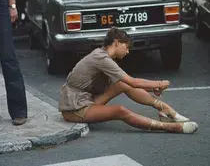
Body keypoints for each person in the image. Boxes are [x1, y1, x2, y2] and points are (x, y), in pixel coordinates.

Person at [59, 27, 198, 134]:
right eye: (126, 47)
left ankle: (165, 110)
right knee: (120, 111)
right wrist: (159, 84)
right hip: (75, 108)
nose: (128, 51)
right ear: (117, 43)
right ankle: (171, 127)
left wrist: (151, 88)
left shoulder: (103, 56)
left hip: (86, 100)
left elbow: (127, 84)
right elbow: (134, 82)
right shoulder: (101, 58)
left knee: (121, 84)